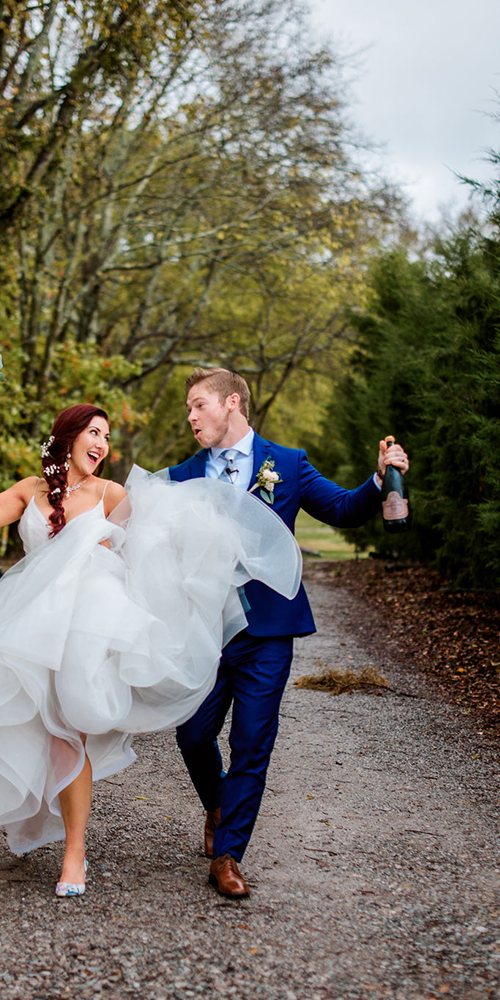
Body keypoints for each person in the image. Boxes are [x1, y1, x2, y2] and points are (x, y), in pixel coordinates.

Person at [0, 403, 302, 898]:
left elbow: (151, 550)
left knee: (65, 734)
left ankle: (74, 853)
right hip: (28, 628)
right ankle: (44, 824)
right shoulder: (30, 490)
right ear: (68, 436)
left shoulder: (111, 494)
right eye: (94, 432)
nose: (102, 444)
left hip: (85, 632)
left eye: (107, 437)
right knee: (28, 727)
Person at [167, 367, 410, 899]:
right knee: (191, 735)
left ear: (232, 403)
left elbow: (343, 509)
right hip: (205, 631)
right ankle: (219, 806)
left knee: (252, 741)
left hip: (269, 632)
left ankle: (228, 854)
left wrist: (377, 481)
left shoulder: (289, 464)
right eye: (188, 408)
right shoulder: (182, 478)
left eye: (197, 405)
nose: (190, 417)